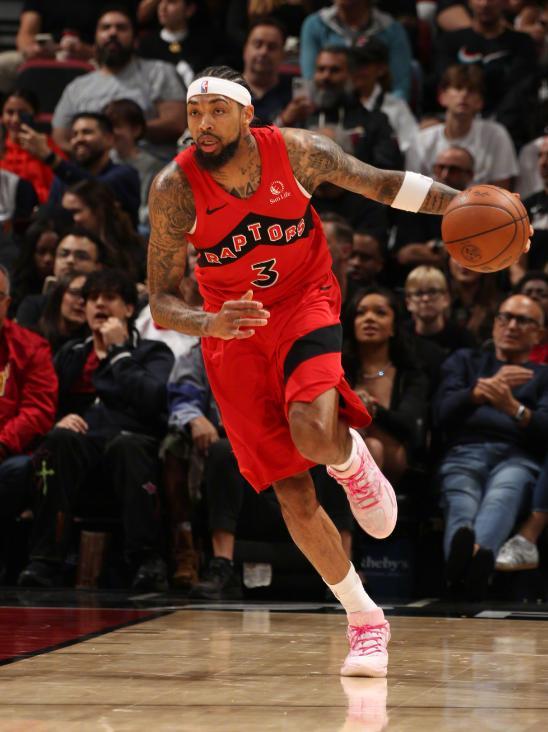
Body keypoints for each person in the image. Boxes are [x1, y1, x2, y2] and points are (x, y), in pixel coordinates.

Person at [147, 64, 464, 677]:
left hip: (303, 302)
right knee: (292, 495)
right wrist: (208, 322)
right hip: (232, 331)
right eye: (194, 113)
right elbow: (159, 300)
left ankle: (350, 461)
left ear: (247, 115)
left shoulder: (298, 152)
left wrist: (466, 204)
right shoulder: (174, 188)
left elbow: (383, 184)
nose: (203, 124)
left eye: (217, 111)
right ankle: (365, 619)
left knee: (315, 434)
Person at [18, 269, 174, 590]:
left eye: (110, 298)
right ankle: (44, 560)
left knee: (126, 446)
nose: (99, 304)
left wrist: (119, 353)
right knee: (59, 439)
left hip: (130, 444)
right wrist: (57, 420)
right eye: (92, 298)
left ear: (129, 309)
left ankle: (147, 560)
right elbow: (45, 401)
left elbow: (153, 400)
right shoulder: (71, 352)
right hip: (82, 447)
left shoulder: (152, 352)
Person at [434, 294, 548, 599]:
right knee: (462, 503)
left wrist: (514, 408)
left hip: (517, 458)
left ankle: (459, 575)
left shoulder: (543, 375)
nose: (511, 325)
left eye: (523, 320)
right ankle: (475, 569)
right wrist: (477, 393)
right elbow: (440, 412)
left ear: (539, 334)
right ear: (494, 323)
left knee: (502, 495)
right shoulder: (465, 361)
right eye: (505, 317)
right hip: (464, 453)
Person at [51, 8, 186, 156]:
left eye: (121, 28)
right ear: (95, 38)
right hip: (92, 166)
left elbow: (177, 124)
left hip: (150, 163)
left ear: (135, 39)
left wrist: (127, 131)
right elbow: (60, 138)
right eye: (105, 28)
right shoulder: (77, 87)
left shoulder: (160, 72)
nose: (112, 33)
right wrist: (92, 149)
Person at [342, 285, 430, 484]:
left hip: (394, 462)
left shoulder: (409, 375)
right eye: (361, 313)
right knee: (369, 446)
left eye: (380, 313)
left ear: (393, 327)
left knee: (373, 447)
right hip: (340, 456)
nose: (369, 318)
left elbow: (410, 427)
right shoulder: (339, 370)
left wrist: (372, 408)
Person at [0, 264, 58, 530]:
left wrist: (2, 444)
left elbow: (38, 411)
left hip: (7, 453)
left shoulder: (31, 347)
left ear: (7, 303)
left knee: (20, 470)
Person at [434, 0, 538, 146]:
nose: (485, 4)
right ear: (469, 2)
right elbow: (446, 81)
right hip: (457, 118)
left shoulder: (522, 43)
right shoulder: (449, 41)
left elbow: (519, 87)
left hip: (506, 121)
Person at [18, 112, 141, 225]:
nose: (79, 139)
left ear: (109, 139)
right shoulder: (61, 179)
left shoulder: (125, 174)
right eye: (74, 134)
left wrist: (50, 157)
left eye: (87, 132)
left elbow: (98, 190)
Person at [414, 65, 518, 189]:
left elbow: (501, 191)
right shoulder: (421, 140)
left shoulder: (496, 135)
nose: (464, 94)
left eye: (471, 90)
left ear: (480, 102)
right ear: (442, 96)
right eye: (458, 88)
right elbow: (412, 189)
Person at [299, 0, 413, 101]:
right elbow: (310, 82)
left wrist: (383, 112)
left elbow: (400, 88)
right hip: (329, 106)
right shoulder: (315, 25)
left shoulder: (392, 29)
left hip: (378, 108)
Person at [393, 145, 474, 277]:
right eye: (440, 168)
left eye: (453, 170)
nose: (445, 175)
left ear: (470, 175)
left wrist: (434, 249)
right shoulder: (415, 203)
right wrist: (453, 253)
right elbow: (405, 255)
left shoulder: (477, 211)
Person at [15, 226, 108, 328]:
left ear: (98, 267)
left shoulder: (103, 308)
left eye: (81, 256)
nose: (70, 260)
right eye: (63, 254)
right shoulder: (33, 306)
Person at [61, 179, 146, 280]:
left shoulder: (135, 248)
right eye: (64, 212)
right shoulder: (60, 241)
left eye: (75, 211)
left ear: (98, 210)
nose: (66, 218)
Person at [103, 99, 165, 231]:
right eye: (108, 128)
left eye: (117, 126)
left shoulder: (152, 165)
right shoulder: (102, 159)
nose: (112, 133)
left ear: (136, 130)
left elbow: (152, 207)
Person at [351, 38, 419, 158]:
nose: (356, 69)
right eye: (353, 63)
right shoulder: (341, 104)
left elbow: (411, 149)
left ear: (381, 69)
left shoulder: (396, 107)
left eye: (363, 64)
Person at [0, 89, 66, 204]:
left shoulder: (47, 147)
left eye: (22, 113)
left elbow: (62, 187)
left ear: (35, 115)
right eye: (10, 112)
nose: (15, 119)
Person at [36, 272, 89, 354]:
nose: (82, 301)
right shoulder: (33, 338)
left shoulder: (89, 347)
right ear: (58, 296)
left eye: (87, 296)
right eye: (75, 293)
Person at [523, 136, 548, 273]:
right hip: (530, 282)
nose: (543, 163)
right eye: (540, 155)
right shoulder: (525, 206)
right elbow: (516, 264)